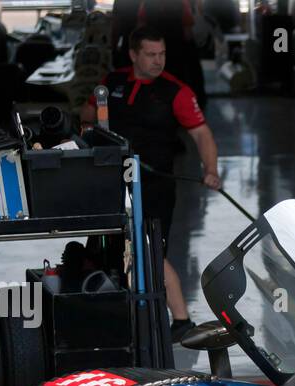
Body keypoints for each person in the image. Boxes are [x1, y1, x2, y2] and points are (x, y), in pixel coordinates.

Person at [84, 26, 222, 338]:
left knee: (149, 249)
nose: (158, 61)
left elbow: (201, 134)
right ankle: (112, 313)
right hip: (111, 181)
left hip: (154, 185)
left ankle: (182, 321)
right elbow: (90, 110)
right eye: (150, 55)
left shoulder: (176, 91)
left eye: (161, 54)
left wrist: (210, 168)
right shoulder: (112, 82)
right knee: (103, 247)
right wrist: (86, 126)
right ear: (133, 54)